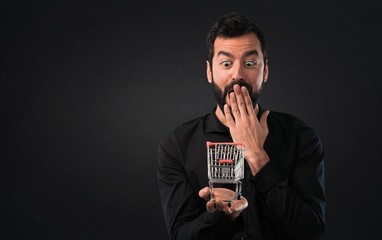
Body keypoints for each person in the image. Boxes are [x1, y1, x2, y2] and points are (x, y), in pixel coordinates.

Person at [157, 12, 325, 240]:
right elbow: (180, 236)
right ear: (209, 72)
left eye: (249, 63)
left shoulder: (300, 137)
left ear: (265, 71)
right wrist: (221, 217)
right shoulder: (177, 145)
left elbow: (311, 232)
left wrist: (257, 156)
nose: (237, 75)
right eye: (226, 63)